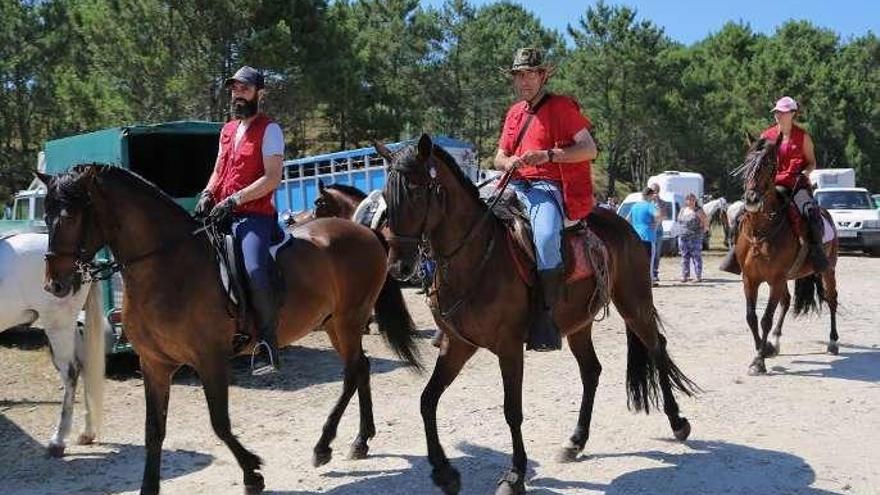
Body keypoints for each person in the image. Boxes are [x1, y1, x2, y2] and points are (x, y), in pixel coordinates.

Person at [494, 47, 598, 351]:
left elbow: (589, 149)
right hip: (513, 184)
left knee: (547, 235)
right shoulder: (514, 113)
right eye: (518, 75)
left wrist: (547, 155)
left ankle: (546, 317)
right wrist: (508, 162)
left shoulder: (562, 107)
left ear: (543, 75)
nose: (523, 80)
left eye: (529, 74)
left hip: (547, 186)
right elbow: (499, 156)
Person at [194, 66, 285, 375]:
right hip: (221, 211)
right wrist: (207, 192)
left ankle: (268, 345)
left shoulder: (270, 130)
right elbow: (219, 170)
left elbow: (272, 179)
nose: (238, 94)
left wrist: (235, 199)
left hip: (254, 216)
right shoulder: (228, 130)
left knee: (255, 269)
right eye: (235, 89)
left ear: (260, 93)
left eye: (244, 89)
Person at [720, 96, 829, 274]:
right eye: (776, 112)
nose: (778, 115)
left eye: (782, 112)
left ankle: (817, 253)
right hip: (769, 185)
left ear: (792, 114)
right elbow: (758, 161)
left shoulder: (803, 137)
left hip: (795, 185)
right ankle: (735, 253)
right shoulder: (766, 136)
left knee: (811, 212)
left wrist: (804, 173)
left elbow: (811, 163)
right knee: (742, 213)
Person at [628, 188, 661, 285]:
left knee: (637, 259)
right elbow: (658, 215)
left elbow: (627, 219)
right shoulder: (649, 205)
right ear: (650, 195)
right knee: (649, 260)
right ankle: (649, 280)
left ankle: (636, 279)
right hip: (647, 236)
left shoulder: (634, 206)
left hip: (636, 237)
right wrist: (655, 223)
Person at [676, 193, 709, 282]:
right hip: (683, 237)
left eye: (692, 200)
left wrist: (702, 231)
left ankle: (698, 276)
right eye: (689, 200)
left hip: (695, 237)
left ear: (695, 201)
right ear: (686, 201)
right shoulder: (683, 210)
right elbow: (679, 221)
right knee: (684, 257)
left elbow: (705, 222)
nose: (690, 201)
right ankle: (685, 275)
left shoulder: (698, 210)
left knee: (696, 257)